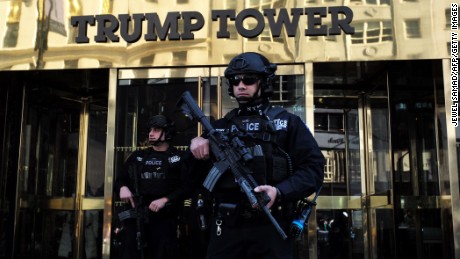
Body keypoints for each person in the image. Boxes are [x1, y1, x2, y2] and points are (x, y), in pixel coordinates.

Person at [188, 52, 325, 258]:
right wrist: (195, 146)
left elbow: (314, 171)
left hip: (270, 224)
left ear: (264, 82)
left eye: (249, 79)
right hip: (226, 227)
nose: (241, 85)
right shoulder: (219, 127)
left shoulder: (287, 123)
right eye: (235, 80)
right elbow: (189, 179)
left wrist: (278, 192)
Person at [114, 115, 185, 259]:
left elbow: (187, 187)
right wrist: (123, 187)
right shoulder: (138, 156)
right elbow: (120, 179)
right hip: (137, 217)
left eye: (156, 130)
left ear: (167, 133)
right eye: (150, 130)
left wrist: (165, 199)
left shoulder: (178, 157)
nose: (151, 133)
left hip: (164, 219)